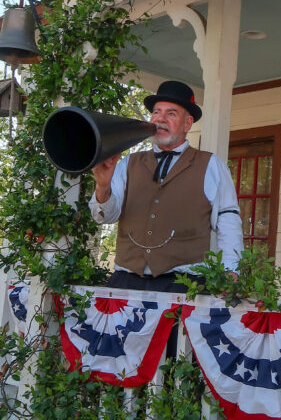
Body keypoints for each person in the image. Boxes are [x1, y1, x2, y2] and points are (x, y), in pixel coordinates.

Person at [90, 80, 243, 293]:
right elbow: (103, 217)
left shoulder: (211, 165)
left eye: (171, 113)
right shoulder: (127, 163)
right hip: (126, 282)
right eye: (156, 112)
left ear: (187, 124)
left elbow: (228, 220)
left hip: (185, 285)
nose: (160, 119)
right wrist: (102, 187)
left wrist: (231, 271)